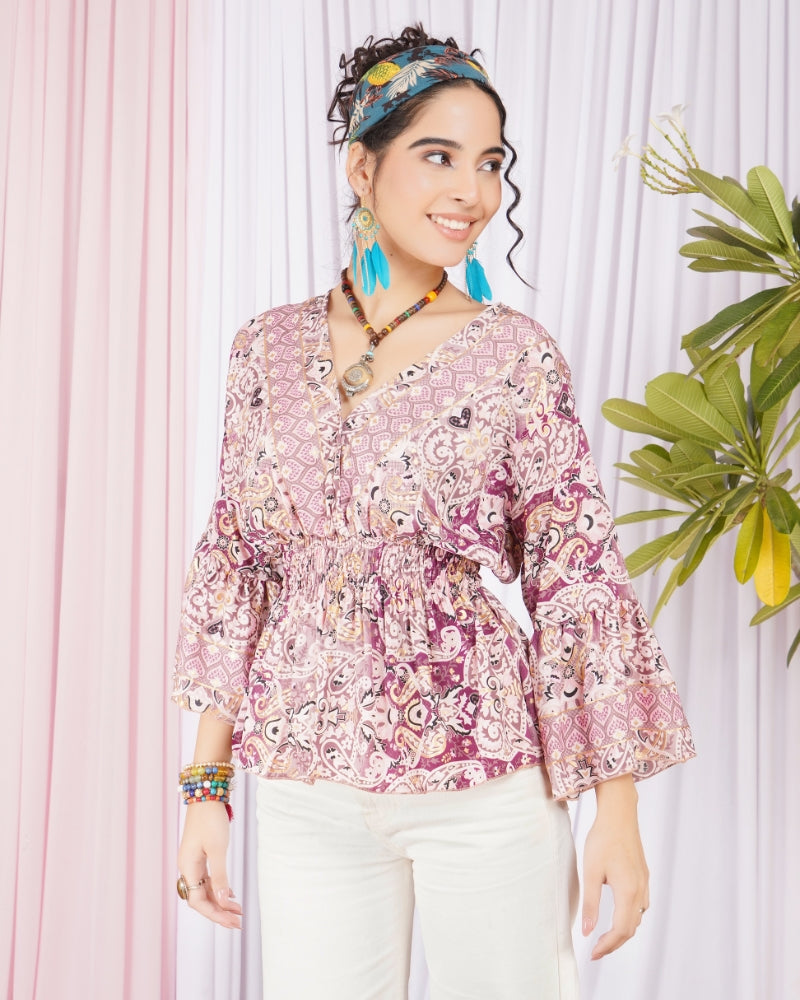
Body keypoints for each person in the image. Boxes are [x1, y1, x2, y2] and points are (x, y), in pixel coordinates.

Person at [172, 24, 695, 1000]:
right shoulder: (263, 349)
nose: (473, 192)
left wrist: (614, 812)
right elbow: (236, 562)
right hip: (305, 783)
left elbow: (575, 574)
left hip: (482, 777)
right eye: (439, 156)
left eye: (490, 162)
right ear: (361, 168)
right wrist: (206, 790)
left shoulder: (514, 355)